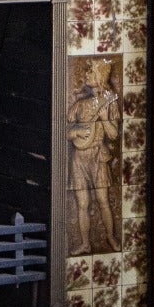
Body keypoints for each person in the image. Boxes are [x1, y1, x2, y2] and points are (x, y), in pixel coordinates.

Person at [68, 58, 120, 255]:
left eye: (90, 72)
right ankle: (85, 243)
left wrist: (105, 119)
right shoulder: (80, 105)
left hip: (98, 156)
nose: (86, 74)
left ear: (99, 76)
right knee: (82, 203)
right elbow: (66, 131)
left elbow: (113, 135)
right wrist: (76, 132)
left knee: (103, 200)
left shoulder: (109, 102)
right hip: (79, 159)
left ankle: (111, 237)